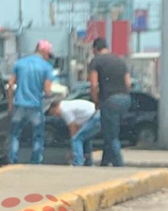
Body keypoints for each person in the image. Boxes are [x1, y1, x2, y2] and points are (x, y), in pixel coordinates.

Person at [7, 40, 54, 165]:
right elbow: (47, 90)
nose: (48, 56)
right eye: (48, 53)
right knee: (38, 135)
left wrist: (10, 103)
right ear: (44, 51)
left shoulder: (20, 63)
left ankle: (13, 159)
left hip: (19, 104)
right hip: (35, 105)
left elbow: (11, 84)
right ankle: (35, 160)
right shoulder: (47, 67)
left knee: (15, 134)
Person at [89, 38, 132, 167]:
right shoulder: (120, 61)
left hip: (109, 100)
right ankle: (105, 162)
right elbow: (128, 83)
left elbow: (94, 85)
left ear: (95, 49)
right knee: (110, 132)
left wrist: (96, 101)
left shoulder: (96, 61)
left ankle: (119, 165)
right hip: (125, 99)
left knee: (112, 136)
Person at [48, 99, 100, 167]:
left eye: (53, 112)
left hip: (95, 117)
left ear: (55, 107)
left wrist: (72, 151)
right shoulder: (67, 105)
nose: (55, 115)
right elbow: (77, 127)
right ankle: (88, 161)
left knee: (77, 139)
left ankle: (78, 162)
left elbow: (72, 129)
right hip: (97, 115)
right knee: (85, 138)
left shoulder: (64, 110)